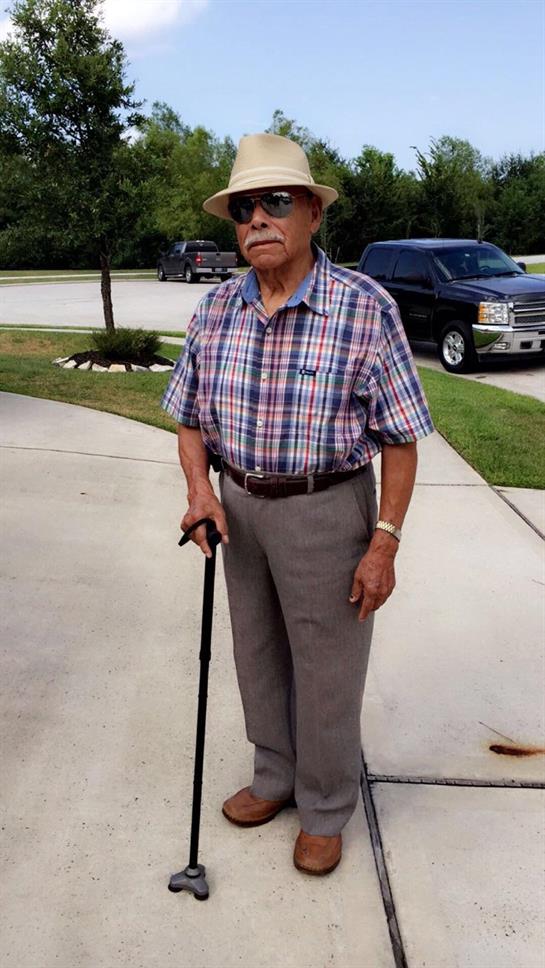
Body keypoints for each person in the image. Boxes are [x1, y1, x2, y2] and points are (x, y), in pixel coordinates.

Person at [161, 133, 433, 876]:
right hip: (239, 509)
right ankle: (275, 778)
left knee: (326, 667)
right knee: (257, 655)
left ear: (311, 211)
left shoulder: (361, 307)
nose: (257, 219)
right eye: (244, 207)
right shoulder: (215, 308)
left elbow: (401, 440)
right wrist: (199, 491)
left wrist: (383, 543)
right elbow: (188, 418)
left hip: (327, 507)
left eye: (275, 202)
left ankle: (323, 805)